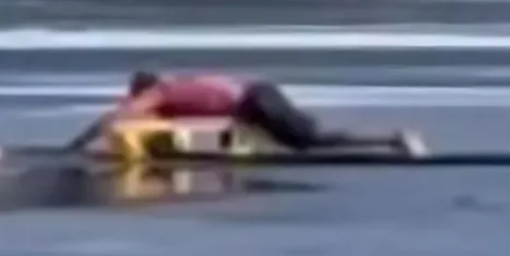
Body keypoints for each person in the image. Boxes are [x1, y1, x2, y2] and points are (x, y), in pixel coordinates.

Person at [67, 71, 427, 156]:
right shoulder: (179, 83)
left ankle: (393, 140)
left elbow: (115, 119)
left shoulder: (158, 94)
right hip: (256, 96)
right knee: (300, 140)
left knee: (308, 143)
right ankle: (389, 140)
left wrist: (76, 147)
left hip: (254, 103)